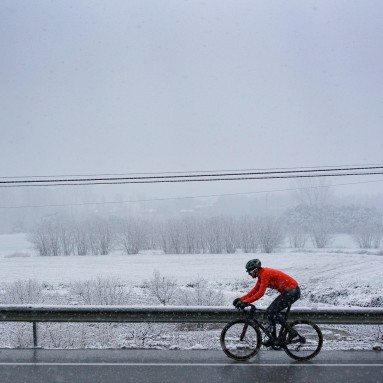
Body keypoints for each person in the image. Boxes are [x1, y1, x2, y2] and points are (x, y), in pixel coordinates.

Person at [232, 259, 301, 347]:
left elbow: (260, 293)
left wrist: (245, 302)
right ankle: (273, 338)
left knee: (271, 311)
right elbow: (255, 290)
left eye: (249, 272)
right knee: (270, 312)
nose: (249, 274)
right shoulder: (261, 275)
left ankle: (291, 332)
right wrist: (240, 299)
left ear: (255, 270)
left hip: (293, 292)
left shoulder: (265, 274)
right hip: (288, 292)